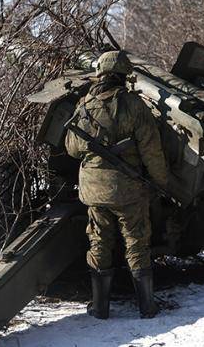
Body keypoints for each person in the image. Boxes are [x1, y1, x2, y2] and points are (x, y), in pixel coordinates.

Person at [65, 50, 168, 319]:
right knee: (136, 243)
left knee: (99, 242)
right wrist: (161, 181)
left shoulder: (84, 104)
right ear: (125, 76)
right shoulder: (134, 104)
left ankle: (100, 308)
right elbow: (151, 150)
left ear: (100, 73)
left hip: (94, 190)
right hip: (128, 188)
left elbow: (73, 149)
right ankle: (147, 306)